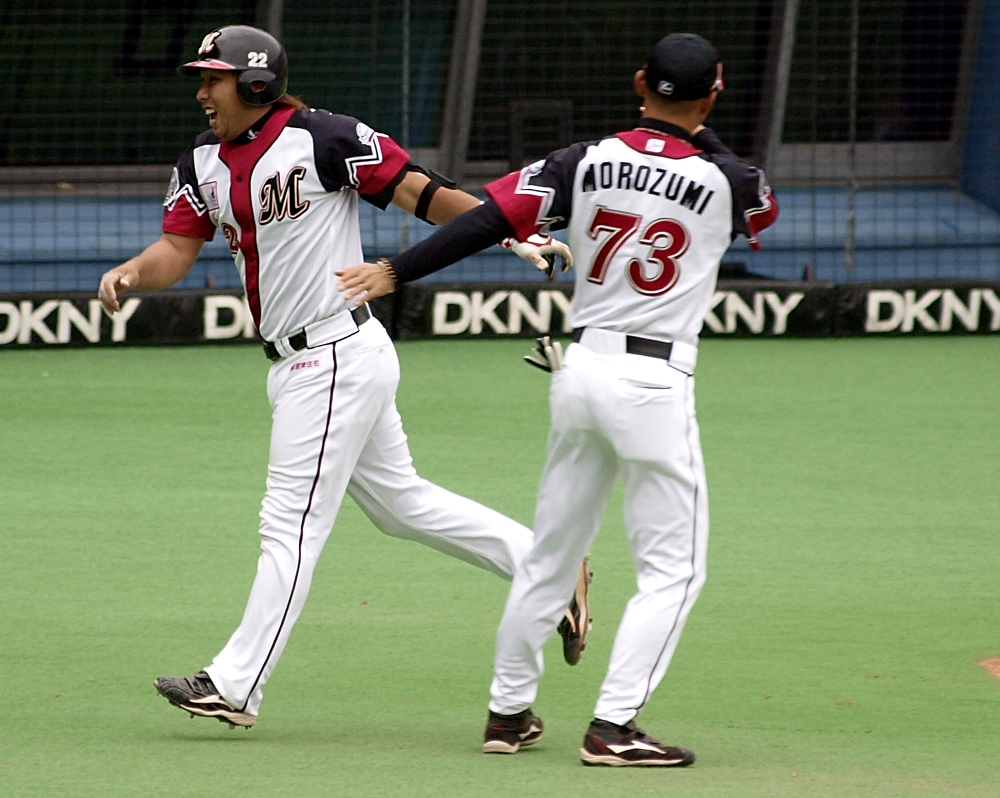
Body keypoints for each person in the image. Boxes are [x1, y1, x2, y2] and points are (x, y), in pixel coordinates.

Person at [97, 24, 589, 731]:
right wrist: (131, 273)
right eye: (200, 78)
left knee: (288, 525)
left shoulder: (326, 137)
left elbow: (424, 193)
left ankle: (235, 683)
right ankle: (553, 569)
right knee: (401, 506)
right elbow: (178, 248)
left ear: (257, 83)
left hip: (333, 356)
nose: (203, 91)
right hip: (307, 364)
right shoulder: (200, 161)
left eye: (215, 77)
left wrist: (512, 233)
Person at [337, 32, 778, 766]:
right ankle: (614, 727)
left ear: (639, 80)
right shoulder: (733, 181)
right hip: (654, 384)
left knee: (550, 556)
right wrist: (695, 129)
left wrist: (397, 269)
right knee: (674, 570)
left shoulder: (582, 161)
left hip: (582, 370)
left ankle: (507, 716)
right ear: (715, 92)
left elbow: (486, 219)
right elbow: (754, 210)